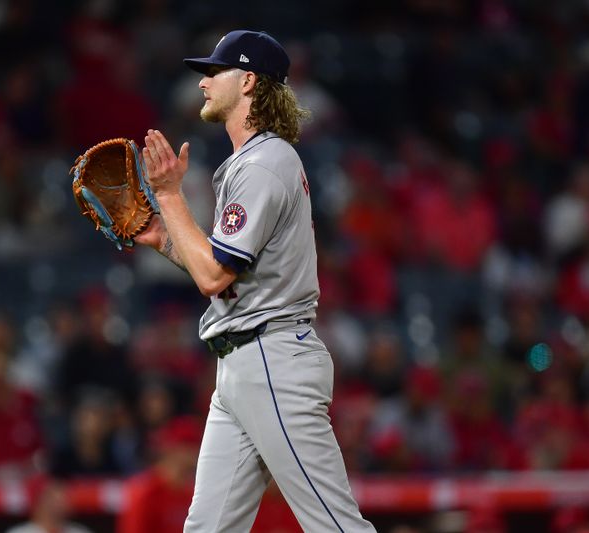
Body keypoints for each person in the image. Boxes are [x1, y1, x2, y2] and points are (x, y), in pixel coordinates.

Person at [134, 29, 376, 532]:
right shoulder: (255, 161)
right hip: (245, 365)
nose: (202, 83)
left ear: (247, 81)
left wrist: (172, 197)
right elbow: (223, 274)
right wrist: (164, 238)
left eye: (213, 72)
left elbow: (213, 277)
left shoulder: (266, 162)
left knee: (336, 526)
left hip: (272, 360)